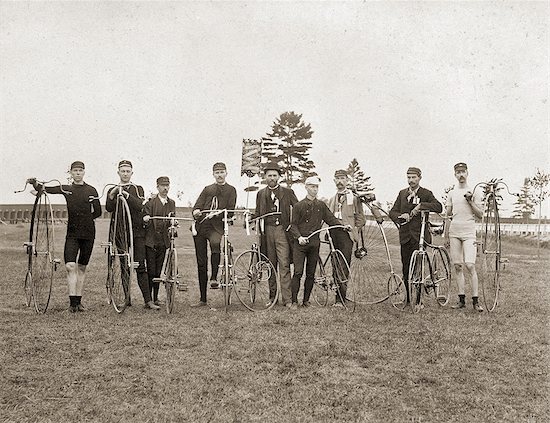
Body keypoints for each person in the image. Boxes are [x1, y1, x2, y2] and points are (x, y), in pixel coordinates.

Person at [27, 161, 102, 312]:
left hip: (88, 233)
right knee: (69, 266)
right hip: (72, 233)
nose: (78, 173)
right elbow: (46, 189)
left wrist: (87, 219)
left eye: (80, 170)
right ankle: (72, 302)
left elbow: (98, 212)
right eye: (75, 171)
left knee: (81, 267)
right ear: (71, 173)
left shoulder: (91, 190)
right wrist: (35, 184)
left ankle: (78, 302)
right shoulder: (66, 189)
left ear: (84, 172)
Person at [288, 176, 350, 309]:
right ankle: (294, 301)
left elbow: (331, 219)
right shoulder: (299, 206)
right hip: (300, 245)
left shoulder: (321, 206)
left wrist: (343, 226)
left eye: (316, 187)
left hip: (314, 244)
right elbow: (293, 225)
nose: (314, 189)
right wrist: (299, 237)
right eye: (312, 186)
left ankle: (306, 301)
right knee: (298, 272)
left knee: (311, 273)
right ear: (306, 187)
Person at [105, 160, 159, 310]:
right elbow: (109, 208)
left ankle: (148, 301)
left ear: (132, 173)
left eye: (128, 171)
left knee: (140, 265)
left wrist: (127, 195)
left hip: (137, 232)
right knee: (124, 264)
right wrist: (112, 195)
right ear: (118, 172)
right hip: (120, 232)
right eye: (122, 171)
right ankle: (127, 298)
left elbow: (139, 205)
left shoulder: (137, 189)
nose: (125, 173)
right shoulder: (113, 189)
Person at [389, 167, 443, 303]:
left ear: (419, 178)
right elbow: (392, 212)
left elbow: (438, 207)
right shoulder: (402, 194)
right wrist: (400, 216)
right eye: (408, 177)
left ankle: (418, 300)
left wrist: (421, 206)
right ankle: (407, 299)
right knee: (406, 268)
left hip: (420, 236)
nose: (411, 180)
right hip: (405, 236)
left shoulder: (426, 193)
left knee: (418, 268)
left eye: (414, 177)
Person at [191, 162, 237, 308]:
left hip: (216, 226)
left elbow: (230, 210)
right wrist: (196, 211)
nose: (219, 175)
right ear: (213, 174)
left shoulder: (231, 190)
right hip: (201, 226)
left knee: (216, 244)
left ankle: (214, 277)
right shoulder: (207, 189)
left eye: (222, 172)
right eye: (217, 172)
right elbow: (197, 205)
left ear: (226, 173)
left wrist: (221, 214)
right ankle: (203, 298)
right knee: (201, 262)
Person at [255, 162, 298, 307]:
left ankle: (288, 299)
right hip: (267, 231)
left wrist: (293, 225)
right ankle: (272, 298)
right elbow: (257, 213)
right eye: (269, 175)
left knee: (284, 264)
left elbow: (297, 208)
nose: (272, 178)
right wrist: (251, 219)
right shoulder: (261, 194)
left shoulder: (288, 192)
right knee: (270, 264)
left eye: (275, 175)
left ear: (279, 177)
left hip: (282, 231)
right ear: (265, 177)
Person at [444, 162, 484, 312]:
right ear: (455, 174)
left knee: (470, 265)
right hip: (455, 231)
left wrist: (470, 200)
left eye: (463, 172)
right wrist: (446, 235)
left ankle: (476, 301)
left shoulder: (475, 191)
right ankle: (461, 300)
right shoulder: (452, 193)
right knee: (457, 266)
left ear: (467, 173)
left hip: (469, 231)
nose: (461, 174)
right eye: (458, 172)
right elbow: (448, 215)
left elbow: (480, 215)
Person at [326, 169, 366, 306]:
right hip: (334, 233)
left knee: (343, 265)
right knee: (335, 264)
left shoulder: (353, 198)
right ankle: (338, 296)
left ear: (347, 181)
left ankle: (341, 299)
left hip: (347, 235)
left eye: (342, 178)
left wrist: (355, 230)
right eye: (337, 179)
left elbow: (361, 218)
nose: (340, 181)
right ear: (334, 181)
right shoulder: (331, 199)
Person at [143, 176, 176, 306]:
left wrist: (174, 222)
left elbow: (171, 218)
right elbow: (145, 215)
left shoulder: (171, 203)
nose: (165, 188)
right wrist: (146, 217)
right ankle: (149, 299)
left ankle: (155, 298)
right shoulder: (150, 202)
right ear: (157, 187)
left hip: (163, 241)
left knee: (158, 270)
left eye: (167, 185)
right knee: (151, 270)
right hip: (151, 241)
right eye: (163, 186)